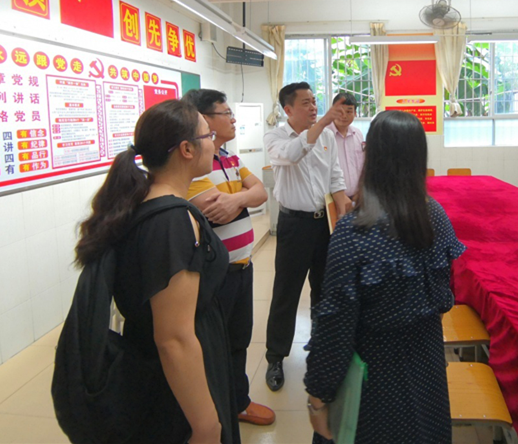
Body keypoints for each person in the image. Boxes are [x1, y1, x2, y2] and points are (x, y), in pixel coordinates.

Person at [74, 100, 240, 443]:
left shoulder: (145, 201)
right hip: (173, 382)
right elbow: (174, 339)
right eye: (207, 135)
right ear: (186, 149)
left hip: (163, 365)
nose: (214, 144)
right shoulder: (171, 221)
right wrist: (206, 426)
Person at [304, 110, 466, 444]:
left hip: (373, 380)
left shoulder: (354, 230)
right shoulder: (435, 215)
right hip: (427, 368)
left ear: (372, 155)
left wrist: (318, 397)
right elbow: (443, 298)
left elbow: (334, 325)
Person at [182, 89, 275, 426]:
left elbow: (261, 192)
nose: (233, 119)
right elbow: (214, 210)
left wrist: (236, 199)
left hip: (242, 266)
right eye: (226, 113)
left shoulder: (230, 157)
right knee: (213, 344)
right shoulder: (193, 165)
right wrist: (244, 198)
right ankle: (215, 410)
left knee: (239, 339)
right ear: (204, 120)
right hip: (214, 273)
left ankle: (238, 402)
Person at [263, 82, 351, 392]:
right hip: (293, 226)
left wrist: (343, 212)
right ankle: (275, 357)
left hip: (324, 224)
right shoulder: (275, 137)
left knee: (324, 290)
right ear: (288, 109)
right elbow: (292, 155)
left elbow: (335, 175)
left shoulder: (326, 136)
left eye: (314, 101)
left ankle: (321, 346)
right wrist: (324, 122)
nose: (313, 107)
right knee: (286, 293)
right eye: (306, 103)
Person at [327, 93, 364, 202]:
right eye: (340, 111)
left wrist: (360, 192)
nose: (344, 116)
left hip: (357, 197)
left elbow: (361, 165)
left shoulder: (358, 134)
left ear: (355, 113)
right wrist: (340, 196)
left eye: (349, 112)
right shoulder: (323, 135)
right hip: (332, 199)